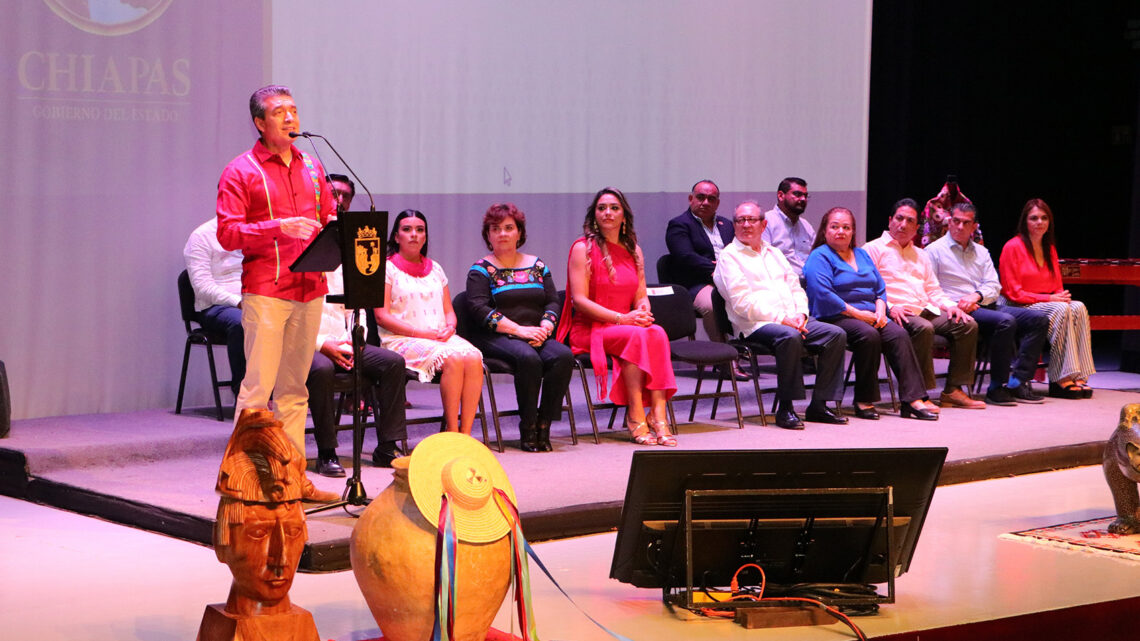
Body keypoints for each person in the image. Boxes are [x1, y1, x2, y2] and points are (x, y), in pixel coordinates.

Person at [216, 85, 336, 500]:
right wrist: (277, 227)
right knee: (257, 390)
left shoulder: (314, 168)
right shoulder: (241, 170)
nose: (290, 118)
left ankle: (293, 478)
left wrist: (335, 225)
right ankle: (243, 481)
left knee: (294, 391)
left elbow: (327, 219)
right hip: (267, 289)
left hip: (310, 288)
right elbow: (228, 234)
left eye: (294, 110)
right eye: (279, 111)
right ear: (259, 123)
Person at [557, 187, 678, 446]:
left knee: (656, 333)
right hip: (592, 328)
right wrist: (623, 319)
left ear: (624, 215)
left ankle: (658, 414)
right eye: (602, 208)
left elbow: (641, 294)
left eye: (614, 208)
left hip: (627, 325)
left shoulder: (634, 249)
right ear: (594, 215)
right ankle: (635, 413)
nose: (608, 213)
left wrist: (643, 308)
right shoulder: (583, 249)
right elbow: (579, 301)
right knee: (636, 336)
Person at [712, 201, 848, 429]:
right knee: (789, 337)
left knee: (835, 334)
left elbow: (795, 287)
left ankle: (820, 405)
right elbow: (742, 303)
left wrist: (801, 315)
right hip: (754, 325)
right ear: (734, 225)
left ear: (763, 224)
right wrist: (784, 319)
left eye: (751, 220)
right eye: (740, 220)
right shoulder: (729, 257)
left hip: (792, 319)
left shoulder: (774, 252)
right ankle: (786, 408)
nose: (746, 225)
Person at [803, 207, 937, 421]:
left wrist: (881, 309)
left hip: (871, 314)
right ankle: (864, 399)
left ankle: (912, 400)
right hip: (836, 315)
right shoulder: (819, 256)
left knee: (899, 334)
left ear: (853, 231)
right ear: (825, 230)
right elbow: (823, 294)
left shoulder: (861, 254)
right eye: (835, 226)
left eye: (846, 227)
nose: (841, 231)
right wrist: (859, 314)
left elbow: (879, 287)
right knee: (869, 335)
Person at [465, 203, 573, 452]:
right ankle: (528, 425)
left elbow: (552, 300)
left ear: (519, 233)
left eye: (508, 228)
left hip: (535, 332)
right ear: (488, 235)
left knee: (563, 356)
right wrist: (519, 330)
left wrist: (546, 326)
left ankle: (544, 424)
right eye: (496, 228)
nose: (502, 233)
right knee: (528, 359)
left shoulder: (537, 265)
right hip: (495, 335)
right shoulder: (481, 269)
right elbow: (479, 309)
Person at [865, 198, 985, 410]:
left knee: (967, 324)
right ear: (890, 220)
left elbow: (933, 290)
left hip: (924, 309)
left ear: (917, 227)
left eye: (909, 221)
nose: (903, 224)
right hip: (896, 312)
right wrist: (890, 306)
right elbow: (867, 289)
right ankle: (920, 393)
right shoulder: (872, 249)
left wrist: (951, 307)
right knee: (924, 327)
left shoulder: (921, 254)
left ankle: (953, 390)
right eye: (899, 218)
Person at [926, 203, 1048, 405]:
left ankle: (1018, 380)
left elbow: (993, 284)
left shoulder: (981, 252)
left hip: (984, 304)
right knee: (1005, 321)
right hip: (956, 309)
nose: (960, 227)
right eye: (956, 221)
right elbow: (931, 288)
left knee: (1038, 319)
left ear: (974, 226)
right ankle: (996, 388)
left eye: (966, 223)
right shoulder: (934, 251)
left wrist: (976, 296)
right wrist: (956, 304)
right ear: (949, 222)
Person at [375, 210, 484, 433]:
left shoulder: (435, 268)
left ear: (425, 236)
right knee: (453, 359)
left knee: (474, 357)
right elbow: (381, 316)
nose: (414, 234)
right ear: (396, 237)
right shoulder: (386, 268)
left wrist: (450, 327)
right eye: (407, 230)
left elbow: (449, 311)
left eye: (420, 230)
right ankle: (452, 432)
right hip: (401, 339)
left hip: (438, 337)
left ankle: (467, 434)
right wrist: (421, 334)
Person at [998, 198, 1095, 399]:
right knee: (1061, 310)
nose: (1039, 222)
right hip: (1016, 304)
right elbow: (1012, 293)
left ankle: (1078, 374)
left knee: (1078, 307)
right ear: (1025, 221)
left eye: (1044, 218)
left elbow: (1057, 286)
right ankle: (1060, 378)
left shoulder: (1049, 248)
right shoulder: (1012, 247)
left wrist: (1059, 297)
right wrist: (1051, 299)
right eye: (1034, 218)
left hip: (1043, 302)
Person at [664, 180, 740, 361]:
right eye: (700, 197)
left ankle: (746, 349)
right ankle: (725, 359)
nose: (705, 202)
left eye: (711, 199)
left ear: (717, 203)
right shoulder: (679, 224)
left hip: (729, 281)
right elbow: (685, 257)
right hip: (696, 284)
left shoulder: (727, 225)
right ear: (691, 199)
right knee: (712, 304)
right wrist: (719, 268)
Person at [183, 217, 245, 396]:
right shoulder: (201, 236)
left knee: (289, 312)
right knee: (243, 322)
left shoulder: (255, 231)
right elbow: (202, 288)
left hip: (254, 298)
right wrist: (238, 302)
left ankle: (287, 394)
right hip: (216, 306)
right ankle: (244, 397)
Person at [761, 177, 816, 280]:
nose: (803, 199)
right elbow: (763, 261)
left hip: (809, 284)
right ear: (781, 196)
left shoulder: (806, 226)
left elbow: (817, 258)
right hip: (781, 284)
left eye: (805, 195)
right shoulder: (766, 222)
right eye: (797, 194)